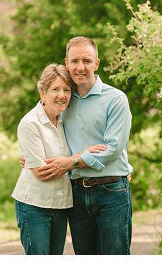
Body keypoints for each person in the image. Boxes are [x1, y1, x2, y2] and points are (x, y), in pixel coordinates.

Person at [60, 36, 134, 255]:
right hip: (76, 195)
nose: (80, 67)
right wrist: (32, 154)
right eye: (74, 61)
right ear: (66, 63)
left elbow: (112, 150)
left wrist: (73, 161)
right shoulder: (62, 98)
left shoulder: (115, 99)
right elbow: (41, 124)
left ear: (96, 63)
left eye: (87, 61)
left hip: (111, 191)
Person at [12, 65, 92, 254]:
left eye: (66, 90)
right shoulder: (30, 123)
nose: (62, 95)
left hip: (61, 205)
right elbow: (42, 172)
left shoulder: (67, 119)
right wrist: (80, 158)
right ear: (42, 92)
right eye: (55, 89)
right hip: (34, 206)